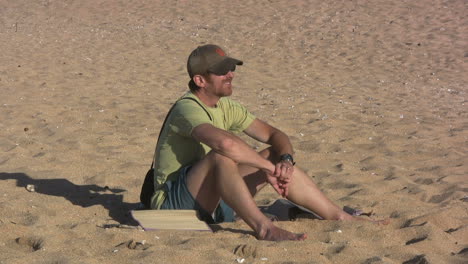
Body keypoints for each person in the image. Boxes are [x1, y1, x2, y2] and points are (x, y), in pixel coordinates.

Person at [149, 44, 384, 241]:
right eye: (222, 71)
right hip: (173, 205)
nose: (230, 74)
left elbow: (275, 135)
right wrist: (270, 171)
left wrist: (285, 161)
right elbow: (225, 145)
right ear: (200, 80)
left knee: (273, 154)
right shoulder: (187, 108)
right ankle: (265, 228)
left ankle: (340, 216)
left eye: (230, 68)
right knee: (221, 156)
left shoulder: (226, 106)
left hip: (214, 202)